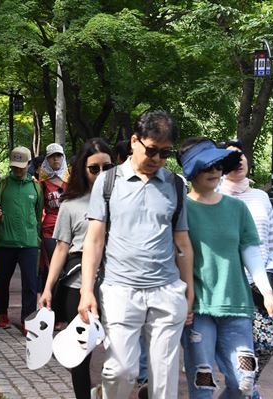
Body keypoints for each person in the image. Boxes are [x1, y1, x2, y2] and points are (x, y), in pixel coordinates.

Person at [78, 110, 193, 399]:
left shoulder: (175, 185)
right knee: (121, 371)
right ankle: (104, 394)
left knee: (164, 382)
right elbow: (93, 241)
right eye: (151, 150)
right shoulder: (108, 183)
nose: (156, 159)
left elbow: (183, 243)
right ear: (134, 141)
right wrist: (86, 291)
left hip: (166, 291)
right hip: (120, 290)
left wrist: (188, 289)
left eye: (164, 153)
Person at [176, 138, 273, 399]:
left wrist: (267, 293)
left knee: (244, 382)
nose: (214, 171)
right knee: (202, 385)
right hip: (198, 309)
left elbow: (251, 252)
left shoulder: (237, 209)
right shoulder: (180, 210)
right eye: (206, 166)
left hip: (237, 307)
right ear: (191, 171)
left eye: (218, 165)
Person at [39, 138, 114, 399]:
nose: (102, 174)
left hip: (117, 285)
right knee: (80, 354)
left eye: (108, 167)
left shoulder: (124, 200)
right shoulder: (70, 204)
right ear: (83, 169)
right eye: (95, 168)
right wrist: (47, 287)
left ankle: (106, 391)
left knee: (120, 355)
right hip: (76, 285)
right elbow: (61, 248)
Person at [219, 139, 273, 397]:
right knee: (231, 353)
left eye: (241, 156)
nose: (238, 162)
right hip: (225, 287)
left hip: (258, 286)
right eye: (230, 158)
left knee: (266, 343)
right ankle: (243, 389)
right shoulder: (213, 195)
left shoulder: (260, 197)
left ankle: (247, 387)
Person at [0, 146, 43, 331]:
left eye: (21, 166)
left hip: (29, 243)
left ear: (29, 164)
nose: (17, 170)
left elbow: (38, 212)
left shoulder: (36, 186)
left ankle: (28, 319)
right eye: (14, 167)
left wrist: (37, 236)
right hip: (5, 241)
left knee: (30, 284)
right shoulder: (1, 184)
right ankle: (2, 312)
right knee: (3, 280)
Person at [38, 143, 69, 298]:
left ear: (63, 158)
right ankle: (50, 305)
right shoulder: (41, 183)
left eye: (59, 155)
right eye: (52, 156)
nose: (56, 159)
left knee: (68, 268)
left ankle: (63, 307)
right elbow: (38, 208)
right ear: (47, 160)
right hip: (49, 230)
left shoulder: (71, 181)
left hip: (69, 230)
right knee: (54, 267)